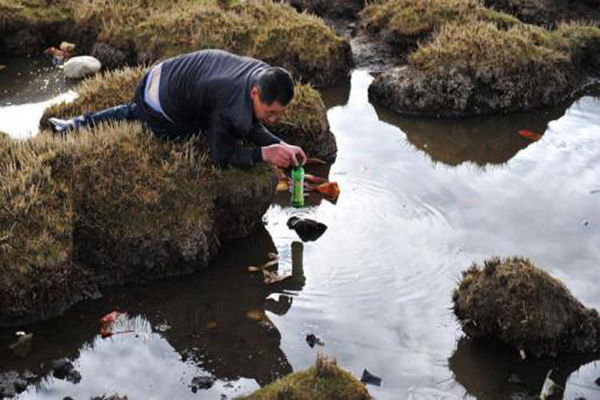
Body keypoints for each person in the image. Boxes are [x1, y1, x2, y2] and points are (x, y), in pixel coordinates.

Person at [49, 49, 307, 168]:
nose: (274, 119)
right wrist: (264, 154)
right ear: (254, 93)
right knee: (187, 131)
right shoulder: (229, 103)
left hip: (160, 74)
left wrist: (280, 145)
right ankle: (74, 127)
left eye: (279, 114)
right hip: (158, 106)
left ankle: (74, 124)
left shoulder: (260, 74)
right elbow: (221, 157)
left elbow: (248, 121)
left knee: (234, 122)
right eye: (270, 112)